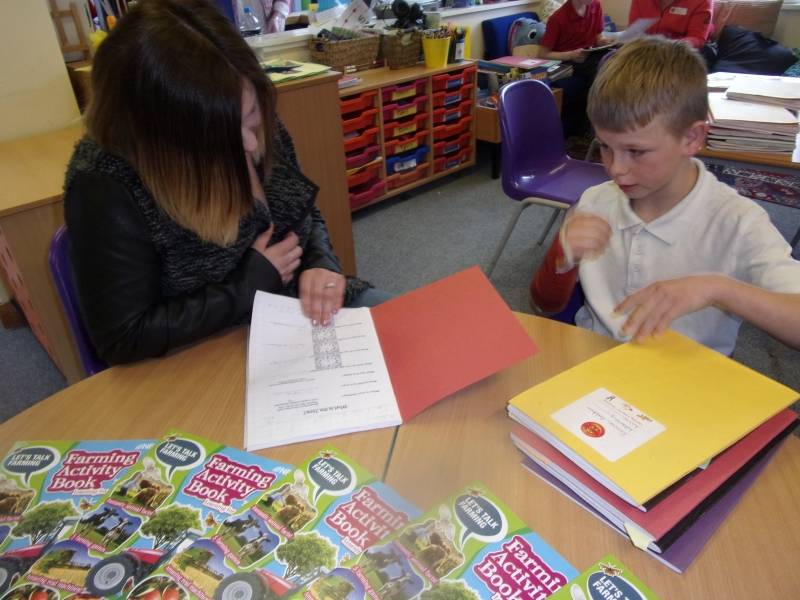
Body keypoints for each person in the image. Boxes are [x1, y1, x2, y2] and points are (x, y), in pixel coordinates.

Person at [65, 0, 385, 366]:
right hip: (204, 353)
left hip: (300, 313)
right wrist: (247, 287)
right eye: (223, 137)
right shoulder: (105, 186)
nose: (250, 143)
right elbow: (124, 338)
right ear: (162, 138)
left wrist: (320, 262)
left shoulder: (247, 116)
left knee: (415, 347)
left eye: (250, 118)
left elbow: (302, 213)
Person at [530, 36, 800, 356]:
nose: (616, 169)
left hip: (685, 377)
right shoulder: (594, 202)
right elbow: (543, 305)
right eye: (605, 146)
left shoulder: (737, 222)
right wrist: (561, 259)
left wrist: (719, 289)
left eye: (636, 151)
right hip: (595, 366)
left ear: (692, 138)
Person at [536, 0, 614, 137]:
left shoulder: (595, 5)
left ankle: (615, 119)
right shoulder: (557, 19)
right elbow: (543, 54)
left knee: (615, 57)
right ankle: (595, 126)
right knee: (600, 67)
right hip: (569, 61)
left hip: (590, 55)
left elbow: (598, 37)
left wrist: (604, 41)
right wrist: (570, 55)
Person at [628, 0, 713, 50]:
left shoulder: (702, 1)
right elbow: (634, 30)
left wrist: (667, 47)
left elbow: (697, 38)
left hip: (683, 52)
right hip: (646, 48)